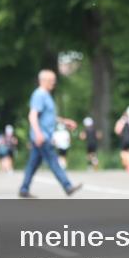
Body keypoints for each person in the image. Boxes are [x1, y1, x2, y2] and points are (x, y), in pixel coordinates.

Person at [19, 69, 82, 198]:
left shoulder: (46, 96)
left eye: (54, 80)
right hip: (42, 137)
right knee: (53, 161)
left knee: (33, 163)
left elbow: (48, 117)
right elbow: (32, 116)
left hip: (43, 135)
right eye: (51, 80)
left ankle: (24, 189)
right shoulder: (39, 95)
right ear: (42, 81)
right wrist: (38, 134)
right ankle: (67, 186)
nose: (53, 82)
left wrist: (64, 122)